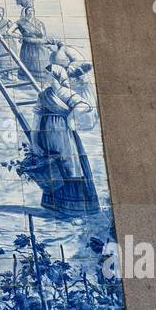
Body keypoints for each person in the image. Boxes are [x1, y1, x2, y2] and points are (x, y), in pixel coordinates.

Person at [30, 58, 100, 217]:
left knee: (70, 165)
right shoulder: (43, 95)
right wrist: (35, 143)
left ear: (57, 77)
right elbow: (36, 120)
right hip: (47, 137)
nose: (47, 78)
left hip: (65, 136)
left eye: (49, 75)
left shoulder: (66, 92)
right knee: (53, 167)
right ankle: (55, 205)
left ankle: (75, 207)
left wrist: (71, 117)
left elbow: (85, 105)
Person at [12, 0, 50, 80]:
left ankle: (41, 78)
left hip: (39, 46)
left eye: (32, 11)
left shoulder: (39, 22)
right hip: (27, 45)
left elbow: (44, 35)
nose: (30, 12)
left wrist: (42, 40)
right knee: (28, 62)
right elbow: (13, 30)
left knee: (40, 62)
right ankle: (27, 78)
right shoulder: (22, 19)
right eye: (28, 11)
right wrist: (19, 36)